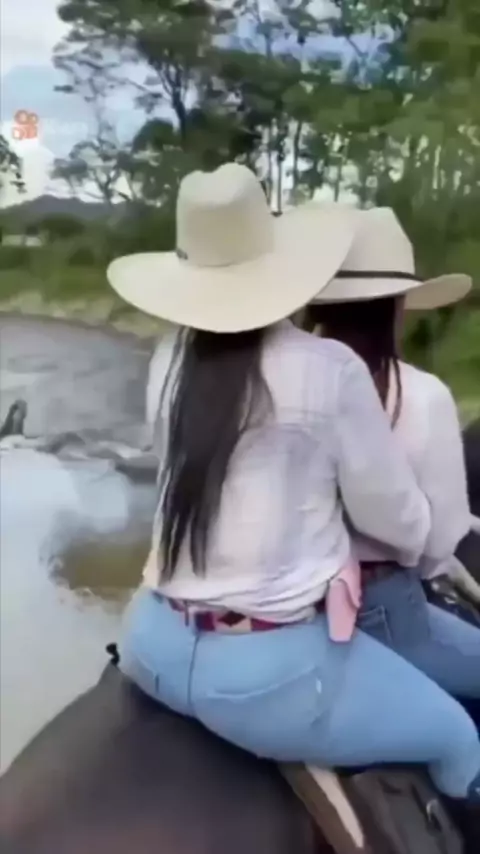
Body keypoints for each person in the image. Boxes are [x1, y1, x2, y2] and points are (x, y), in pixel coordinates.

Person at [106, 164, 480, 825]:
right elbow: (396, 519)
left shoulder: (170, 358)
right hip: (263, 675)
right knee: (457, 736)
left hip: (150, 641)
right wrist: (412, 541)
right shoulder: (328, 370)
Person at [305, 205, 480, 699]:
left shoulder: (282, 381)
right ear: (397, 307)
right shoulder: (423, 395)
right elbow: (441, 542)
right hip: (381, 603)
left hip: (288, 600)